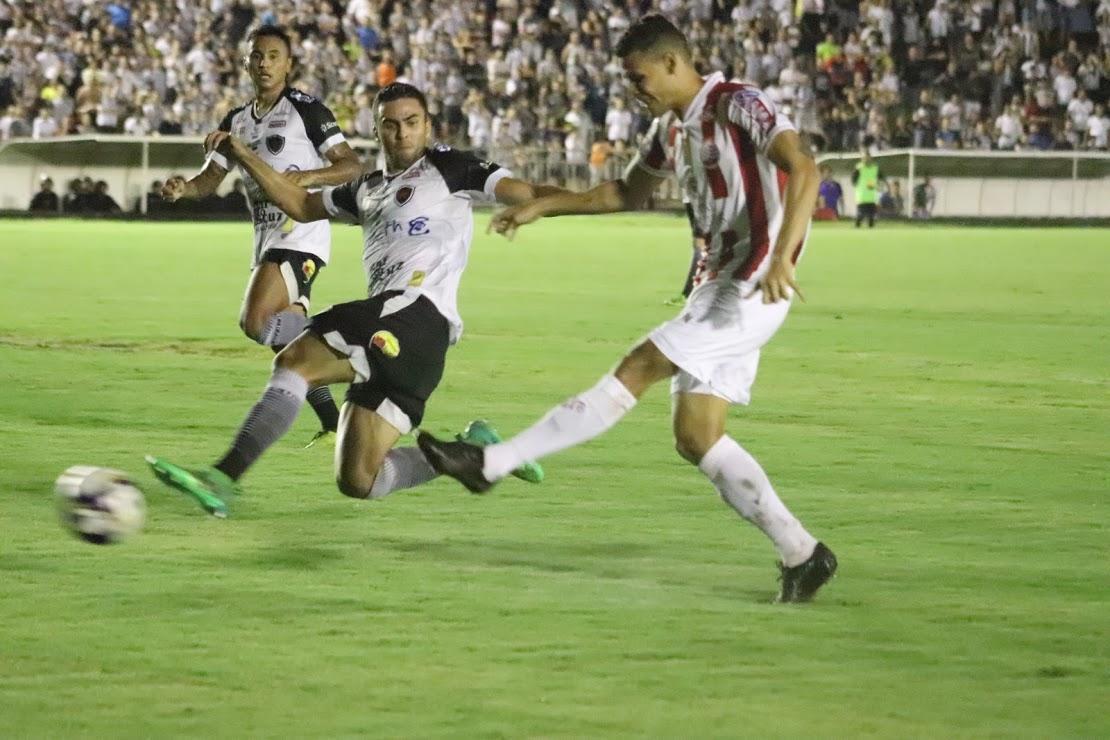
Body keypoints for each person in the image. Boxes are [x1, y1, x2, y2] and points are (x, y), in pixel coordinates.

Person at [417, 15, 837, 604]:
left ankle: (491, 463)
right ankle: (803, 553)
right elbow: (624, 192)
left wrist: (785, 258)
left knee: (637, 365)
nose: (633, 90)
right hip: (719, 284)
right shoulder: (671, 131)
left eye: (639, 78)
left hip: (751, 283)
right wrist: (547, 206)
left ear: (671, 63)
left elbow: (805, 168)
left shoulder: (738, 105)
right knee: (697, 436)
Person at [146, 83, 559, 517]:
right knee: (360, 479)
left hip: (414, 313)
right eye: (391, 125)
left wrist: (599, 200)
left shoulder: (452, 169)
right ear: (377, 130)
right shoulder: (368, 189)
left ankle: (222, 477)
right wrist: (245, 154)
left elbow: (529, 191)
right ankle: (479, 454)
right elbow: (302, 206)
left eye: (412, 123)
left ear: (428, 126)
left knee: (294, 363)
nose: (402, 134)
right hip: (415, 345)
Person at [160, 26, 362, 445]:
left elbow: (351, 166)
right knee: (282, 340)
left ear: (288, 64)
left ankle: (344, 347)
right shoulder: (235, 122)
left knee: (255, 321)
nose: (265, 63)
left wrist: (308, 176)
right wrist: (183, 187)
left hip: (301, 231)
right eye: (257, 56)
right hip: (267, 240)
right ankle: (330, 416)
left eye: (274, 56)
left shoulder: (307, 109)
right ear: (246, 63)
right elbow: (208, 180)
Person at [851, 150, 883, 228]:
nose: (866, 159)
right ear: (862, 159)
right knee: (860, 216)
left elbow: (881, 179)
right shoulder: (859, 168)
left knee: (871, 217)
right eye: (865, 158)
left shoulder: (875, 168)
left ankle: (870, 234)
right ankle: (856, 230)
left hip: (872, 197)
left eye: (868, 158)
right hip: (861, 197)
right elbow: (853, 180)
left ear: (871, 158)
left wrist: (878, 186)